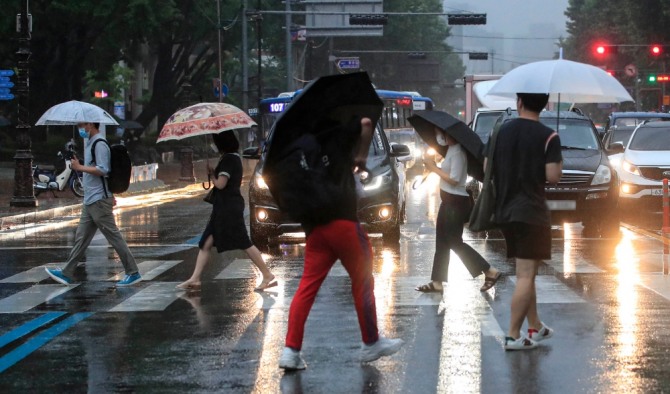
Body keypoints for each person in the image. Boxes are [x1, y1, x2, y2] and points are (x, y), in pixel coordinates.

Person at [278, 117, 404, 371]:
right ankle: (370, 342)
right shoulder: (336, 130)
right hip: (344, 223)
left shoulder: (297, 146)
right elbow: (367, 124)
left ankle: (290, 350)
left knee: (306, 287)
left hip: (315, 229)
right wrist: (360, 158)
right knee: (363, 282)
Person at [487, 93, 563, 350]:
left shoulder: (501, 132)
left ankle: (535, 326)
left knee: (527, 273)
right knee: (526, 275)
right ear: (544, 105)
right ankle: (511, 335)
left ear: (519, 102)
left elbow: (487, 165)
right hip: (532, 213)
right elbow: (553, 176)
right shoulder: (549, 136)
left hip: (506, 211)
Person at [176, 130, 276, 292]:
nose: (215, 145)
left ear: (222, 143)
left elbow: (221, 184)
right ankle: (195, 278)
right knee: (206, 242)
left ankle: (267, 274)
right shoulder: (232, 158)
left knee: (244, 242)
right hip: (224, 207)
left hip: (228, 209)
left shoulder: (229, 159)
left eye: (216, 142)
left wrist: (212, 176)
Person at [45, 122, 142, 286]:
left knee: (114, 236)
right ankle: (66, 273)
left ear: (90, 125)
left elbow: (103, 170)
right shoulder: (91, 143)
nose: (80, 128)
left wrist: (80, 167)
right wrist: (79, 165)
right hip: (90, 200)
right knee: (81, 238)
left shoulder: (100, 143)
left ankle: (133, 272)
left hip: (99, 200)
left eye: (82, 125)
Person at [416, 127, 501, 293]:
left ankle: (490, 271)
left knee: (454, 242)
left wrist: (434, 168)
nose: (441, 136)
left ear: (454, 135)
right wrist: (431, 164)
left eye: (444, 133)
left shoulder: (458, 153)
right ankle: (437, 282)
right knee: (441, 241)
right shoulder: (451, 151)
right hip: (447, 202)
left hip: (455, 203)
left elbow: (454, 180)